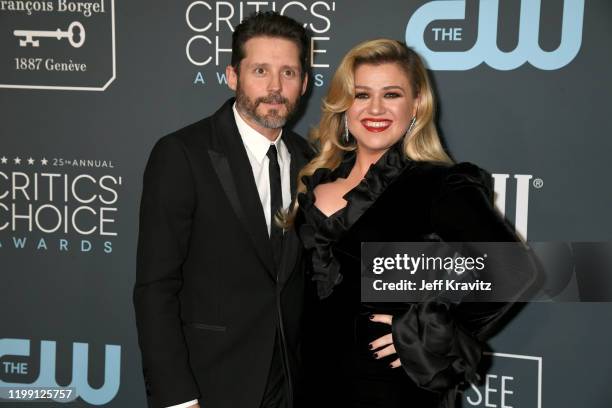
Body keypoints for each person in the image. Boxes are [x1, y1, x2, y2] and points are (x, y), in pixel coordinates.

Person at [287, 39, 537, 408]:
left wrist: (425, 332)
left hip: (392, 392)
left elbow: (514, 270)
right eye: (361, 95)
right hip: (310, 388)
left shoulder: (438, 185)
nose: (375, 108)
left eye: (391, 94)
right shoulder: (314, 181)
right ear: (344, 105)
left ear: (416, 104)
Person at [133, 12, 312, 408]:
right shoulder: (182, 154)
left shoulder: (310, 160)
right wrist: (177, 397)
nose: (275, 87)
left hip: (290, 384)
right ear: (233, 76)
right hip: (211, 383)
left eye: (288, 72)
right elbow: (155, 287)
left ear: (304, 82)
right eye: (260, 70)